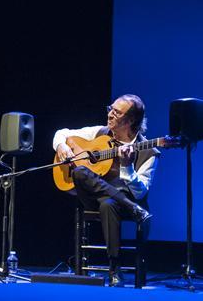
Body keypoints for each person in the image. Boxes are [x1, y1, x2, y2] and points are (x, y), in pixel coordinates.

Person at [53, 94, 158, 287]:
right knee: (80, 172)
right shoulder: (100, 132)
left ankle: (114, 269)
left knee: (108, 204)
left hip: (126, 202)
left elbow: (140, 193)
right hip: (92, 197)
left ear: (131, 120)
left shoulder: (149, 151)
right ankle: (116, 267)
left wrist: (127, 167)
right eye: (110, 108)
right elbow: (62, 132)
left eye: (116, 112)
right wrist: (61, 146)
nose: (110, 114)